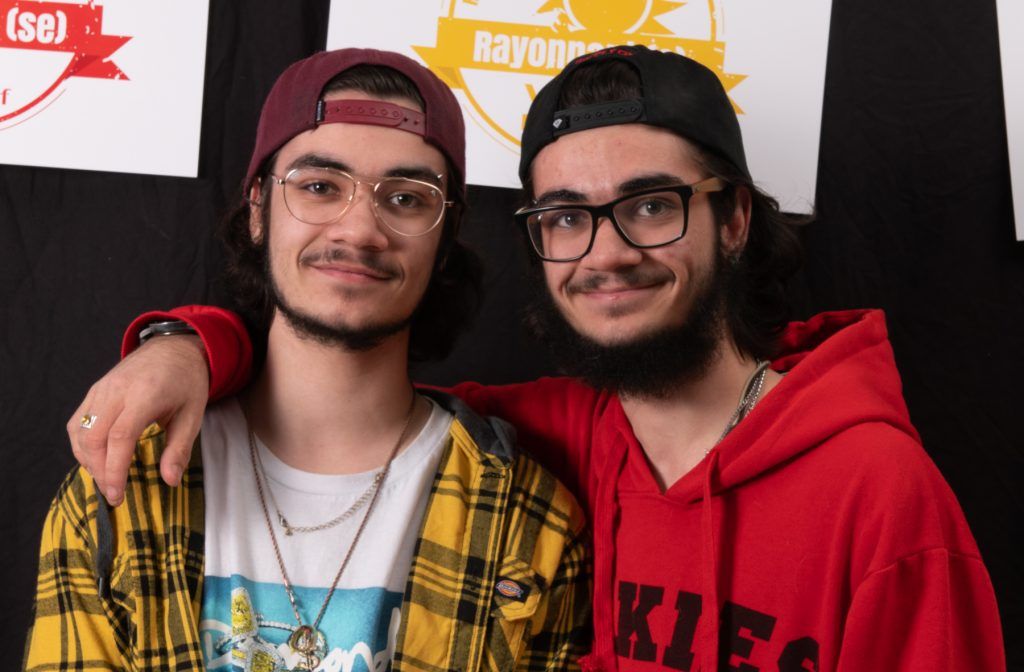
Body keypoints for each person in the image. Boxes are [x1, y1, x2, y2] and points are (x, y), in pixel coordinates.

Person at [65, 45, 1005, 670]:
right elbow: (339, 392)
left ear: (734, 219)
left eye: (650, 205)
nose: (607, 252)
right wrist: (187, 347)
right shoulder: (563, 437)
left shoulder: (878, 491)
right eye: (565, 218)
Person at [25, 48, 590, 672]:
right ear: (258, 209)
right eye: (320, 187)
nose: (360, 230)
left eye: (407, 199)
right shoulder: (122, 484)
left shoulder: (526, 522)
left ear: (446, 238)